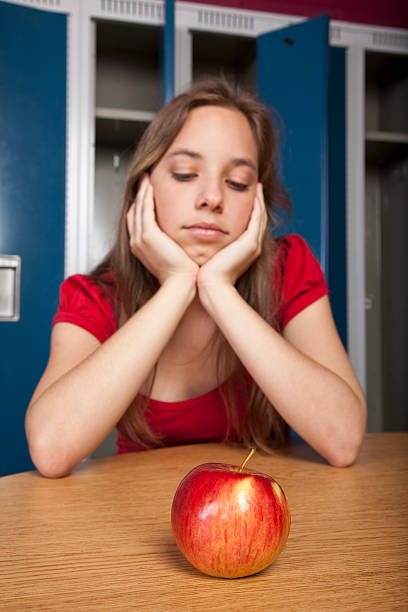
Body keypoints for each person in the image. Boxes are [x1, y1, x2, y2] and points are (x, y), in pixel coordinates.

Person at [25, 78, 366, 478]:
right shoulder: (94, 296)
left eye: (236, 182)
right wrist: (176, 285)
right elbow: (51, 448)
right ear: (143, 190)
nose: (213, 197)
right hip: (132, 513)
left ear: (257, 201)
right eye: (186, 174)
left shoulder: (289, 268)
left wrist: (219, 289)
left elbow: (343, 439)